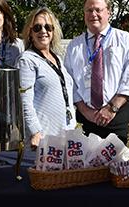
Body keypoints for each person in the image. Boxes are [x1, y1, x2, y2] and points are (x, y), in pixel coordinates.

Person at [64, 0, 129, 144]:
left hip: (120, 117)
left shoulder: (125, 40)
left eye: (98, 10)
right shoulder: (74, 46)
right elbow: (70, 84)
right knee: (88, 166)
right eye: (89, 10)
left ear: (108, 12)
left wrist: (111, 109)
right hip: (86, 120)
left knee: (124, 165)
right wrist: (86, 112)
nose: (93, 14)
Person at [15, 7, 76, 152]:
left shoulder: (58, 59)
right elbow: (24, 102)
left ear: (53, 31)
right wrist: (35, 132)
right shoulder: (26, 60)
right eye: (37, 27)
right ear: (30, 33)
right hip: (43, 139)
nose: (43, 31)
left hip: (65, 134)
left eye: (48, 27)